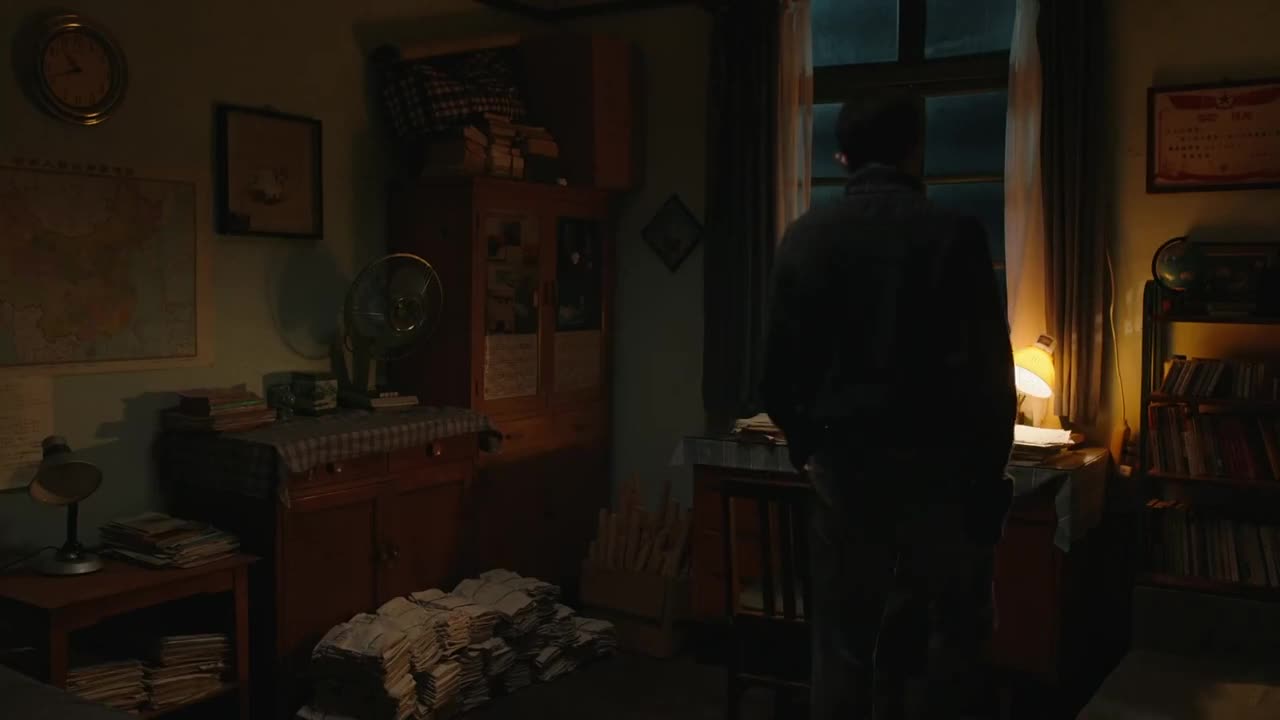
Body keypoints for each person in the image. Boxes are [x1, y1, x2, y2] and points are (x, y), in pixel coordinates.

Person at [761, 92, 1017, 719]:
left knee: (842, 652)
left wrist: (810, 451)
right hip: (942, 480)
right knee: (945, 652)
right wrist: (987, 480)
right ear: (914, 150)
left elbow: (776, 378)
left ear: (842, 156)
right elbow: (991, 376)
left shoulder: (804, 238)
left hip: (845, 475)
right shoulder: (955, 234)